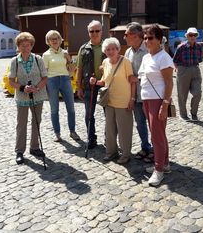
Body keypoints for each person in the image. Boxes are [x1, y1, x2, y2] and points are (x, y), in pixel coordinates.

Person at [138, 25, 174, 186]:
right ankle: (164, 164)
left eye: (150, 38)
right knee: (158, 133)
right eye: (145, 38)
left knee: (157, 137)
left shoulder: (163, 57)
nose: (147, 41)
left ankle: (158, 170)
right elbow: (141, 77)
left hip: (158, 100)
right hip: (146, 99)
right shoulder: (147, 57)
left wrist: (164, 104)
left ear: (159, 39)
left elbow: (169, 82)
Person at [89, 37, 135, 164]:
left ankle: (125, 154)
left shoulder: (125, 61)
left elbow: (132, 81)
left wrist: (132, 99)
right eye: (108, 49)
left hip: (123, 101)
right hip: (109, 101)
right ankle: (111, 152)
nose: (110, 51)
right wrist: (95, 82)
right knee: (110, 128)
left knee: (124, 129)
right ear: (105, 51)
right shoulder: (105, 62)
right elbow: (104, 81)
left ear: (118, 49)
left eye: (113, 49)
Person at [8, 32, 48, 165]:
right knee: (21, 124)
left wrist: (37, 88)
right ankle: (19, 151)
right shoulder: (15, 61)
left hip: (38, 94)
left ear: (31, 46)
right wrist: (22, 88)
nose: (25, 48)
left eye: (27, 45)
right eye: (22, 45)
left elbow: (44, 77)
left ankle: (34, 147)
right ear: (18, 47)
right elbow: (11, 81)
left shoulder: (38, 59)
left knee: (36, 122)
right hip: (22, 96)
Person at [42, 30, 80, 142]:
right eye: (51, 39)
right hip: (51, 81)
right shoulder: (46, 55)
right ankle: (57, 133)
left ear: (60, 40)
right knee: (54, 109)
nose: (54, 40)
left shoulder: (65, 52)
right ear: (48, 41)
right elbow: (44, 72)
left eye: (56, 38)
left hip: (65, 79)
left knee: (71, 108)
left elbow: (73, 69)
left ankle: (72, 131)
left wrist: (69, 59)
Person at [124, 22, 153, 162]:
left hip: (149, 94)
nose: (124, 37)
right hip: (134, 95)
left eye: (126, 34)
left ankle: (155, 151)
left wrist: (137, 78)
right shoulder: (128, 52)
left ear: (135, 35)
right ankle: (145, 148)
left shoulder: (149, 49)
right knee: (140, 123)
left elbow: (154, 72)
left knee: (153, 124)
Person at [76, 20, 106, 149]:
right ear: (88, 33)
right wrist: (79, 87)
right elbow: (80, 69)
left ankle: (108, 138)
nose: (94, 33)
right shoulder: (83, 48)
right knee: (89, 114)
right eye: (91, 31)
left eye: (97, 30)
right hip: (90, 86)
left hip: (106, 85)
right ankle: (91, 138)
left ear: (101, 31)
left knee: (109, 114)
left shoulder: (108, 46)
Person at [172, 27, 203, 121]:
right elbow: (175, 60)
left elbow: (200, 59)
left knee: (198, 93)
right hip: (183, 70)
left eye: (195, 35)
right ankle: (183, 114)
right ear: (187, 36)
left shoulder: (198, 46)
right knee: (182, 94)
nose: (193, 37)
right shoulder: (181, 47)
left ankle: (194, 113)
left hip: (195, 69)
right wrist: (178, 69)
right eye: (190, 35)